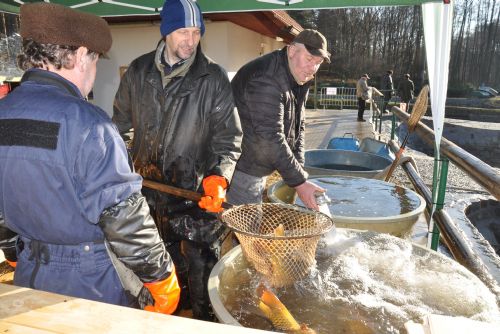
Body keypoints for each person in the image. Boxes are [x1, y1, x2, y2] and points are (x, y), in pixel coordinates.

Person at [0, 2, 180, 314]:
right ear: (82, 56)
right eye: (95, 61)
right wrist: (160, 277)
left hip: (30, 273)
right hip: (91, 283)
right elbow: (124, 216)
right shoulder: (89, 123)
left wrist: (11, 249)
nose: (94, 75)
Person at [112, 0, 242, 321]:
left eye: (197, 32)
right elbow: (120, 128)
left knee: (202, 281)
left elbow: (229, 139)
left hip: (195, 198)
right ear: (166, 30)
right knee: (160, 280)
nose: (191, 40)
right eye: (183, 31)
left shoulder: (213, 78)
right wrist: (123, 167)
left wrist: (219, 176)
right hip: (148, 197)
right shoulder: (138, 72)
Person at [227, 29, 330, 210]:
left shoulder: (298, 76)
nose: (313, 68)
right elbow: (270, 137)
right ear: (291, 51)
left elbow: (299, 126)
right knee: (245, 228)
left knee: (246, 225)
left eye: (318, 62)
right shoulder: (265, 78)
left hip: (259, 160)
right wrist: (300, 182)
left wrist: (300, 171)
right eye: (309, 59)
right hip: (241, 165)